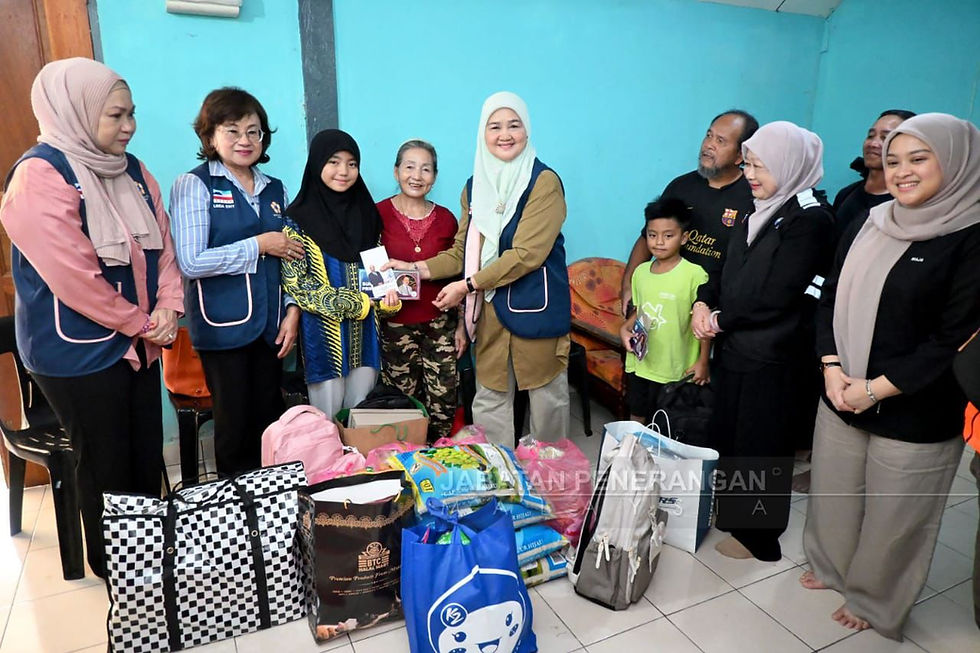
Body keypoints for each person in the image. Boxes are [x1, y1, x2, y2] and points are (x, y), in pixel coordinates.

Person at [0, 58, 183, 576]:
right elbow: (75, 279)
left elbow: (164, 247)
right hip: (75, 349)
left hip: (141, 340)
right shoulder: (39, 177)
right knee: (105, 461)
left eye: (132, 114)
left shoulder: (133, 168)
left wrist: (169, 305)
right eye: (115, 116)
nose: (128, 127)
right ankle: (118, 571)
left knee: (145, 453)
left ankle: (153, 555)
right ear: (76, 113)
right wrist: (146, 323)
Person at [802, 114, 980, 639]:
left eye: (918, 159)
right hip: (842, 385)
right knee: (836, 490)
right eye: (895, 159)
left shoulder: (971, 236)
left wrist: (875, 388)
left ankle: (876, 599)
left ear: (957, 161)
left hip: (918, 402)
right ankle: (833, 568)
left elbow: (954, 337)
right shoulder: (872, 219)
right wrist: (832, 366)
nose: (902, 172)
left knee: (896, 513)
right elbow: (830, 295)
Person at [391, 92, 570, 446]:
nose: (505, 134)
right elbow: (463, 251)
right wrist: (416, 268)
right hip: (488, 313)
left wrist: (468, 286)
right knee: (489, 401)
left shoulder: (544, 182)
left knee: (547, 402)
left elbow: (527, 254)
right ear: (483, 133)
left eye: (514, 125)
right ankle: (501, 481)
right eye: (495, 126)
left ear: (527, 130)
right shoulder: (475, 187)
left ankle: (552, 488)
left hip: (535, 308)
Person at [691, 121, 834, 562]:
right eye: (749, 163)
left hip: (774, 355)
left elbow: (780, 293)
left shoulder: (810, 220)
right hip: (736, 346)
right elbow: (723, 268)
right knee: (732, 436)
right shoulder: (760, 207)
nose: (751, 173)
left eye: (760, 165)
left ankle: (760, 536)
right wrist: (702, 300)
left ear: (790, 166)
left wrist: (719, 319)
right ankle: (735, 515)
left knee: (762, 445)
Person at [170, 88, 302, 476]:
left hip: (272, 326)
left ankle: (269, 509)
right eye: (233, 131)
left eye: (254, 132)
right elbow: (192, 261)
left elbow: (293, 256)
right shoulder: (195, 185)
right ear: (210, 137)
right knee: (233, 428)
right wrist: (259, 245)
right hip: (223, 326)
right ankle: (235, 520)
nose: (245, 141)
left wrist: (292, 310)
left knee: (269, 423)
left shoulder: (275, 189)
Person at [282, 129, 400, 419]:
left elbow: (376, 270)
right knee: (326, 420)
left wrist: (387, 298)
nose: (343, 171)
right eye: (334, 162)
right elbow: (299, 286)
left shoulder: (368, 216)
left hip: (366, 339)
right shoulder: (297, 220)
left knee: (360, 417)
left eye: (351, 163)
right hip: (323, 337)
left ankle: (357, 466)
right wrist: (356, 303)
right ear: (317, 164)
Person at [621, 110, 758, 314]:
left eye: (720, 141)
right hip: (665, 303)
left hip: (716, 311)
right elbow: (647, 237)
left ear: (740, 155)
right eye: (709, 135)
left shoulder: (752, 197)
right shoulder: (681, 186)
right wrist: (627, 288)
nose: (709, 144)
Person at [376, 140, 458, 439]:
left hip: (440, 322)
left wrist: (462, 327)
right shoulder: (377, 214)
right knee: (401, 399)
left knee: (444, 398)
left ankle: (441, 456)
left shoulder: (448, 219)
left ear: (434, 176)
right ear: (396, 172)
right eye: (409, 166)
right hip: (395, 324)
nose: (417, 175)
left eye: (425, 169)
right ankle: (406, 458)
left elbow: (458, 272)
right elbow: (368, 265)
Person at [620, 197, 710, 425]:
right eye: (652, 235)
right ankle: (632, 457)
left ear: (684, 237)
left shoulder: (695, 275)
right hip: (642, 363)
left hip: (675, 368)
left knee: (668, 421)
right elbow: (640, 314)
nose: (659, 242)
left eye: (668, 236)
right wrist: (625, 328)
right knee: (637, 415)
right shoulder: (640, 273)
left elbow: (704, 324)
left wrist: (703, 361)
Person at [832, 109, 916, 240]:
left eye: (885, 138)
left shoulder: (904, 203)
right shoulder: (846, 194)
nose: (873, 144)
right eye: (871, 136)